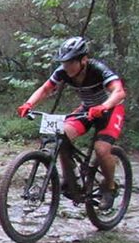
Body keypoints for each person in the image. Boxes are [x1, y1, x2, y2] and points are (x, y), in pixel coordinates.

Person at [17, 37, 127, 211]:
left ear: (83, 60)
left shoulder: (98, 69)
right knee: (62, 136)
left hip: (110, 110)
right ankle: (71, 180)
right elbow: (46, 89)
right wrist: (28, 104)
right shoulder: (63, 72)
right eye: (64, 63)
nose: (67, 67)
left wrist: (104, 106)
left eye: (71, 63)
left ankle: (110, 188)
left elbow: (119, 92)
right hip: (87, 110)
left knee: (101, 149)